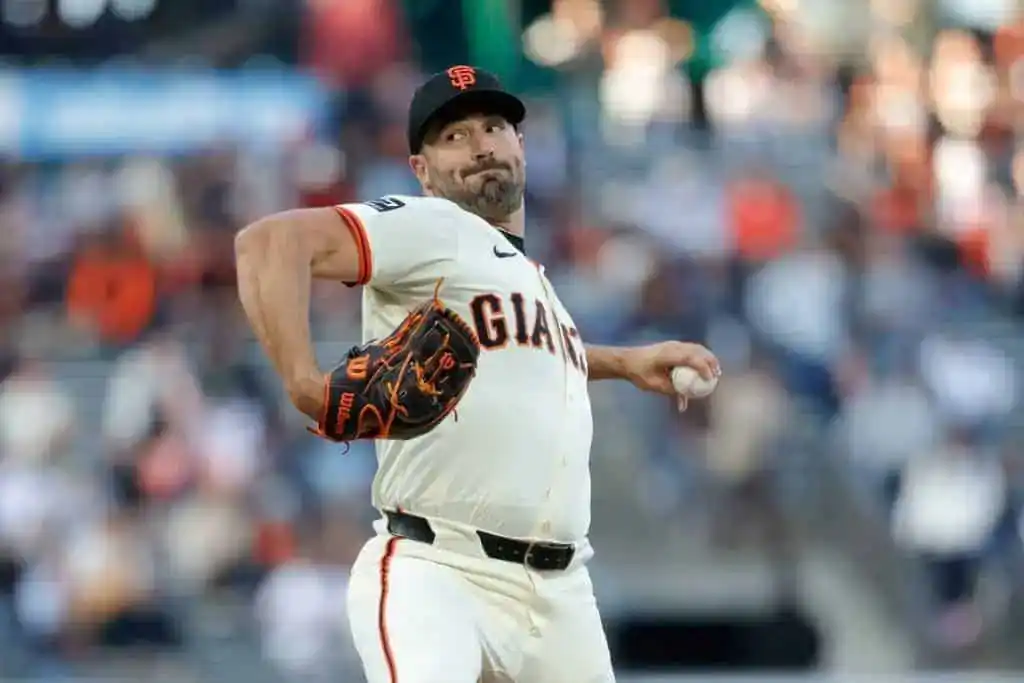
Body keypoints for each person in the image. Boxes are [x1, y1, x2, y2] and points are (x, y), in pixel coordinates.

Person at [234, 65, 720, 683]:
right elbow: (268, 243)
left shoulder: (527, 279)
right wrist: (304, 383)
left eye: (494, 126)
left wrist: (623, 363)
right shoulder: (433, 226)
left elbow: (518, 358)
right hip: (442, 570)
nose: (482, 144)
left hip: (558, 595)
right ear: (421, 170)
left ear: (521, 144)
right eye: (454, 136)